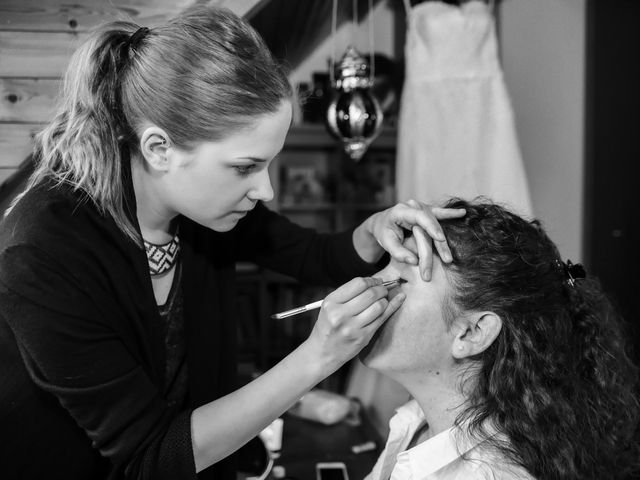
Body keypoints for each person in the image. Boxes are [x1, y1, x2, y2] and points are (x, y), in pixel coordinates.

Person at [0, 5, 466, 480]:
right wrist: (319, 355)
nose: (265, 190)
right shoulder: (41, 252)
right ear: (160, 149)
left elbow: (314, 255)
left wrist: (373, 229)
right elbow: (151, 455)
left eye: (269, 164)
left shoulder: (207, 206)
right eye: (245, 168)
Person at [360, 198, 640, 480]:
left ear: (473, 332)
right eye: (385, 268)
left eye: (400, 281)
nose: (364, 285)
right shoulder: (415, 423)